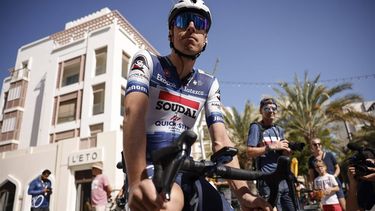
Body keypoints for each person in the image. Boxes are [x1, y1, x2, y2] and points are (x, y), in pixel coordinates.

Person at [122, 0, 272, 210]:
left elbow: (221, 141)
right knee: (169, 202)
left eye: (199, 23)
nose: (191, 27)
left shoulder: (209, 84)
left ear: (205, 39)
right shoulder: (147, 61)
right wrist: (137, 182)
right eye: (183, 21)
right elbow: (132, 113)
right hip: (149, 168)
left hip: (187, 171)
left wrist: (244, 194)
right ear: (171, 33)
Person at [247, 97, 296, 211]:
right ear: (261, 111)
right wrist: (270, 147)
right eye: (267, 108)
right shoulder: (256, 127)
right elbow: (249, 152)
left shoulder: (279, 129)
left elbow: (282, 154)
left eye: (274, 108)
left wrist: (287, 152)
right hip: (267, 179)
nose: (271, 111)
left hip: (283, 179)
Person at [307, 138, 346, 210]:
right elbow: (311, 174)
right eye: (315, 144)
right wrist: (314, 188)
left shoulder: (329, 155)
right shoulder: (311, 160)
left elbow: (337, 168)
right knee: (326, 208)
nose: (317, 146)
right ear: (311, 146)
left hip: (335, 184)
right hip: (322, 188)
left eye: (319, 144)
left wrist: (334, 176)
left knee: (343, 207)